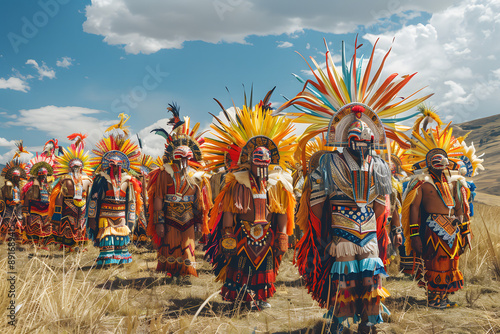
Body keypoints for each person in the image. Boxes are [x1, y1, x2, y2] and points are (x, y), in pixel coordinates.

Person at [275, 39, 431, 333]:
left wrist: (388, 230)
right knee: (344, 271)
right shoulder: (328, 164)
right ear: (345, 137)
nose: (361, 139)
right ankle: (341, 317)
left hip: (370, 229)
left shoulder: (380, 166)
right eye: (355, 134)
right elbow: (317, 204)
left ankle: (369, 318)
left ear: (373, 137)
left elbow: (382, 205)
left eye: (365, 135)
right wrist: (320, 236)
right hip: (341, 229)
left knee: (371, 273)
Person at [204, 89, 296, 309]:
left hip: (267, 234)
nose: (262, 166)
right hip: (242, 232)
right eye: (257, 162)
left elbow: (281, 210)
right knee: (241, 267)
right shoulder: (237, 182)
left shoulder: (278, 183)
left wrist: (282, 234)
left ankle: (261, 298)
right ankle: (240, 298)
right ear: (249, 160)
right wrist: (227, 232)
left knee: (264, 267)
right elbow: (229, 210)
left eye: (265, 163)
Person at [401, 123, 472, 309]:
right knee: (435, 262)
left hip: (453, 227)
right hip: (433, 227)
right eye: (435, 161)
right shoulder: (421, 184)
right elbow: (414, 209)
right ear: (428, 163)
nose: (440, 165)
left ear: (449, 163)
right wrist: (415, 235)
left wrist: (465, 231)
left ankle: (444, 297)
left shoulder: (455, 184)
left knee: (451, 263)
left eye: (443, 161)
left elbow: (460, 209)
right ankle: (433, 298)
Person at [147, 105, 210, 282]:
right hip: (170, 217)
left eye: (186, 158)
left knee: (188, 246)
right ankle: (172, 272)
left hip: (189, 218)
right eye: (179, 157)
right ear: (173, 156)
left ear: (191, 158)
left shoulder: (197, 177)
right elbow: (158, 197)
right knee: (171, 246)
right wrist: (159, 222)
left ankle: (186, 273)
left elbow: (200, 202)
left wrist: (199, 221)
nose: (183, 161)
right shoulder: (164, 173)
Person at [87, 129, 142, 266]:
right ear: (108, 165)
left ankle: (120, 262)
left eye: (118, 165)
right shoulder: (101, 179)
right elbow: (94, 200)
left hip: (121, 217)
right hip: (105, 217)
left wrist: (131, 220)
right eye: (113, 165)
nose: (116, 167)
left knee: (121, 241)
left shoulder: (129, 181)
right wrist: (92, 218)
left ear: (123, 165)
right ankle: (107, 263)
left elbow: (131, 202)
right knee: (107, 240)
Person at [48, 134, 93, 251]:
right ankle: (69, 245)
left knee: (81, 223)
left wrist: (90, 209)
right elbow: (59, 195)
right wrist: (57, 212)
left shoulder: (87, 180)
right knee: (69, 223)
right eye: (74, 168)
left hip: (81, 205)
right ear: (70, 168)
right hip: (68, 204)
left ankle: (79, 244)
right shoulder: (65, 179)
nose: (76, 170)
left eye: (78, 168)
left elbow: (89, 196)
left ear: (82, 168)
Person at [22, 154, 54, 249]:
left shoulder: (47, 186)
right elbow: (27, 197)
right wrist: (26, 211)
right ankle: (35, 244)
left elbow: (49, 196)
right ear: (38, 175)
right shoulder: (33, 186)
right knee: (35, 226)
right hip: (35, 209)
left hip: (45, 210)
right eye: (41, 175)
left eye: (44, 175)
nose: (43, 177)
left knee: (46, 227)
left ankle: (43, 244)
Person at [0, 157, 28, 244]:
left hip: (18, 207)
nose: (17, 178)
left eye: (18, 177)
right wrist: (8, 202)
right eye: (16, 177)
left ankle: (17, 239)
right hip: (9, 207)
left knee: (19, 221)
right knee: (6, 221)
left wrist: (20, 201)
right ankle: (2, 239)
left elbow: (22, 196)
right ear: (12, 177)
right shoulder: (7, 185)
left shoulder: (20, 186)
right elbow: (4, 197)